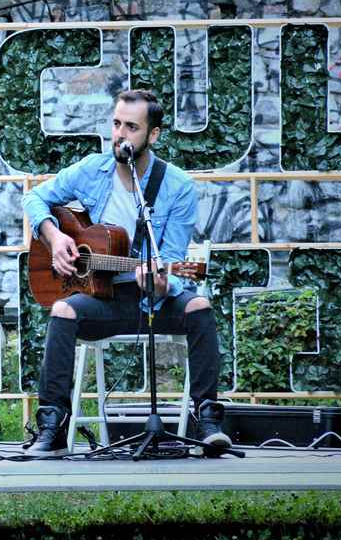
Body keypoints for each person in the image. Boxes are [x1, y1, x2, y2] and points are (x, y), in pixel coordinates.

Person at [21, 89, 230, 457]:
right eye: (116, 124)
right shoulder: (92, 170)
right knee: (63, 310)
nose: (120, 134)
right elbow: (34, 198)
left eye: (131, 127)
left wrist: (161, 283)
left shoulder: (177, 185)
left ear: (153, 135)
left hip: (152, 300)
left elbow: (173, 260)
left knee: (199, 307)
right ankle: (53, 425)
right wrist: (54, 238)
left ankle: (207, 420)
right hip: (104, 299)